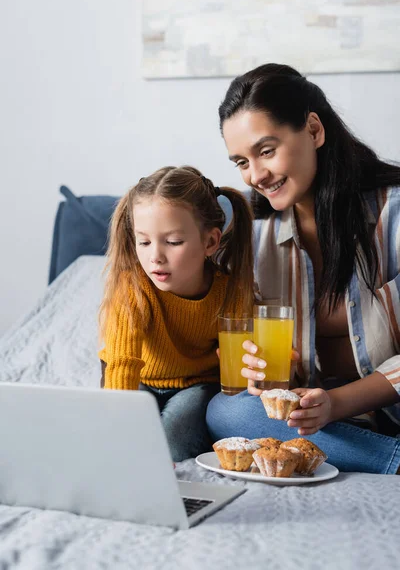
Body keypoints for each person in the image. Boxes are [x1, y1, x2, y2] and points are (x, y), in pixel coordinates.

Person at [206, 63, 400, 473]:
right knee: (227, 411)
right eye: (241, 161)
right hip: (324, 423)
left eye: (266, 151)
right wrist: (269, 377)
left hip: (377, 414)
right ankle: (384, 461)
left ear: (313, 130)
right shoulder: (253, 236)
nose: (256, 175)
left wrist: (337, 404)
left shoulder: (394, 216)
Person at [98, 165, 254, 462]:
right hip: (137, 380)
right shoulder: (132, 287)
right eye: (143, 242)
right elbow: (121, 365)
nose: (155, 255)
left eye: (173, 242)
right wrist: (116, 429)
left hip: (195, 385)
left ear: (210, 242)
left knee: (173, 446)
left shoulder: (231, 292)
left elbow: (240, 373)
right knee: (110, 436)